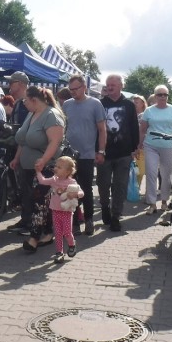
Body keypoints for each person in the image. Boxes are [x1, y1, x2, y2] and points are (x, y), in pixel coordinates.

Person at [10, 86, 64, 252]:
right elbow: (24, 139)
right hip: (27, 167)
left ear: (34, 100)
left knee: (39, 203)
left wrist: (43, 160)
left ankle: (34, 238)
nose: (23, 103)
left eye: (26, 100)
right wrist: (17, 158)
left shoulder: (51, 115)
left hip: (46, 168)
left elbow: (55, 142)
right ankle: (48, 233)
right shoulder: (31, 114)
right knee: (37, 202)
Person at [62, 74, 107, 235]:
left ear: (84, 88)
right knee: (69, 189)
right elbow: (63, 127)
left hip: (87, 154)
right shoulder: (66, 105)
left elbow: (102, 130)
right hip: (69, 155)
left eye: (76, 88)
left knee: (86, 188)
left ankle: (89, 219)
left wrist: (101, 151)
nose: (73, 92)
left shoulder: (95, 104)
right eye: (71, 89)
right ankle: (74, 222)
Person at [96, 74, 139, 231]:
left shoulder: (129, 105)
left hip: (124, 152)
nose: (110, 87)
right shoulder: (100, 104)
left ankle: (116, 216)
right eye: (108, 85)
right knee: (103, 184)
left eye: (113, 84)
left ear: (121, 85)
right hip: (104, 153)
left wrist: (135, 148)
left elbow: (134, 126)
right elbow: (96, 129)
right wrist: (97, 150)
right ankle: (105, 206)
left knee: (120, 185)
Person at [35, 156, 84, 263]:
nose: (56, 168)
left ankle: (71, 244)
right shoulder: (54, 179)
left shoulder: (72, 182)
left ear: (67, 171)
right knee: (58, 233)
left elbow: (81, 193)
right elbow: (42, 181)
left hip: (66, 212)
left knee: (67, 232)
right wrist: (38, 172)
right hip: (55, 211)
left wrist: (75, 194)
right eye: (56, 166)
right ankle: (59, 252)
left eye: (59, 167)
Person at [139, 85, 172, 215]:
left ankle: (164, 201)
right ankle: (151, 203)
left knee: (166, 175)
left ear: (168, 96)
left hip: (168, 145)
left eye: (165, 94)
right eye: (160, 94)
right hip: (151, 145)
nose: (162, 97)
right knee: (151, 173)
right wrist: (139, 145)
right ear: (155, 96)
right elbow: (143, 129)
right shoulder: (149, 111)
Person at [5, 71, 33, 235]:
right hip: (17, 149)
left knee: (27, 187)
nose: (9, 85)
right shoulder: (17, 104)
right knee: (21, 187)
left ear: (21, 84)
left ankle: (29, 222)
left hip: (27, 151)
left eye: (12, 82)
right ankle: (25, 218)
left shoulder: (29, 103)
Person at [132, 95, 148, 190]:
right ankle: (132, 188)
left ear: (143, 103)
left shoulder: (145, 115)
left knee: (140, 171)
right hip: (130, 147)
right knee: (132, 169)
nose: (134, 104)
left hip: (142, 147)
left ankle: (136, 188)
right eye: (133, 102)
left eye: (136, 102)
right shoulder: (130, 115)